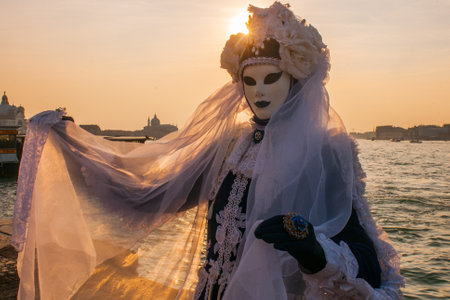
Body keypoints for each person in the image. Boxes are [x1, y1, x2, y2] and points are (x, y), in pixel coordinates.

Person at [12, 2, 403, 299]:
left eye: (271, 78)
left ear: (296, 79)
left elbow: (367, 264)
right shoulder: (230, 147)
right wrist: (73, 145)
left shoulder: (324, 152)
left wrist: (314, 251)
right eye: (250, 81)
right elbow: (148, 197)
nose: (259, 91)